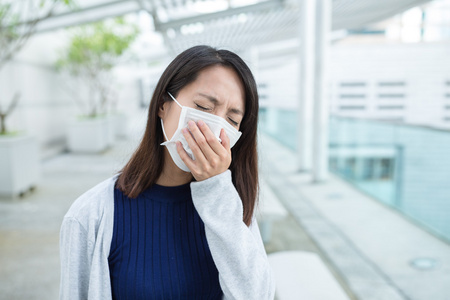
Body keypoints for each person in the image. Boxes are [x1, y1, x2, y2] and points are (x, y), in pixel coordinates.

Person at [59, 45, 276, 300]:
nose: (216, 130)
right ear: (163, 104)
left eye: (232, 120)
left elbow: (257, 294)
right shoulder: (90, 215)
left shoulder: (230, 206)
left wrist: (216, 189)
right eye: (204, 106)